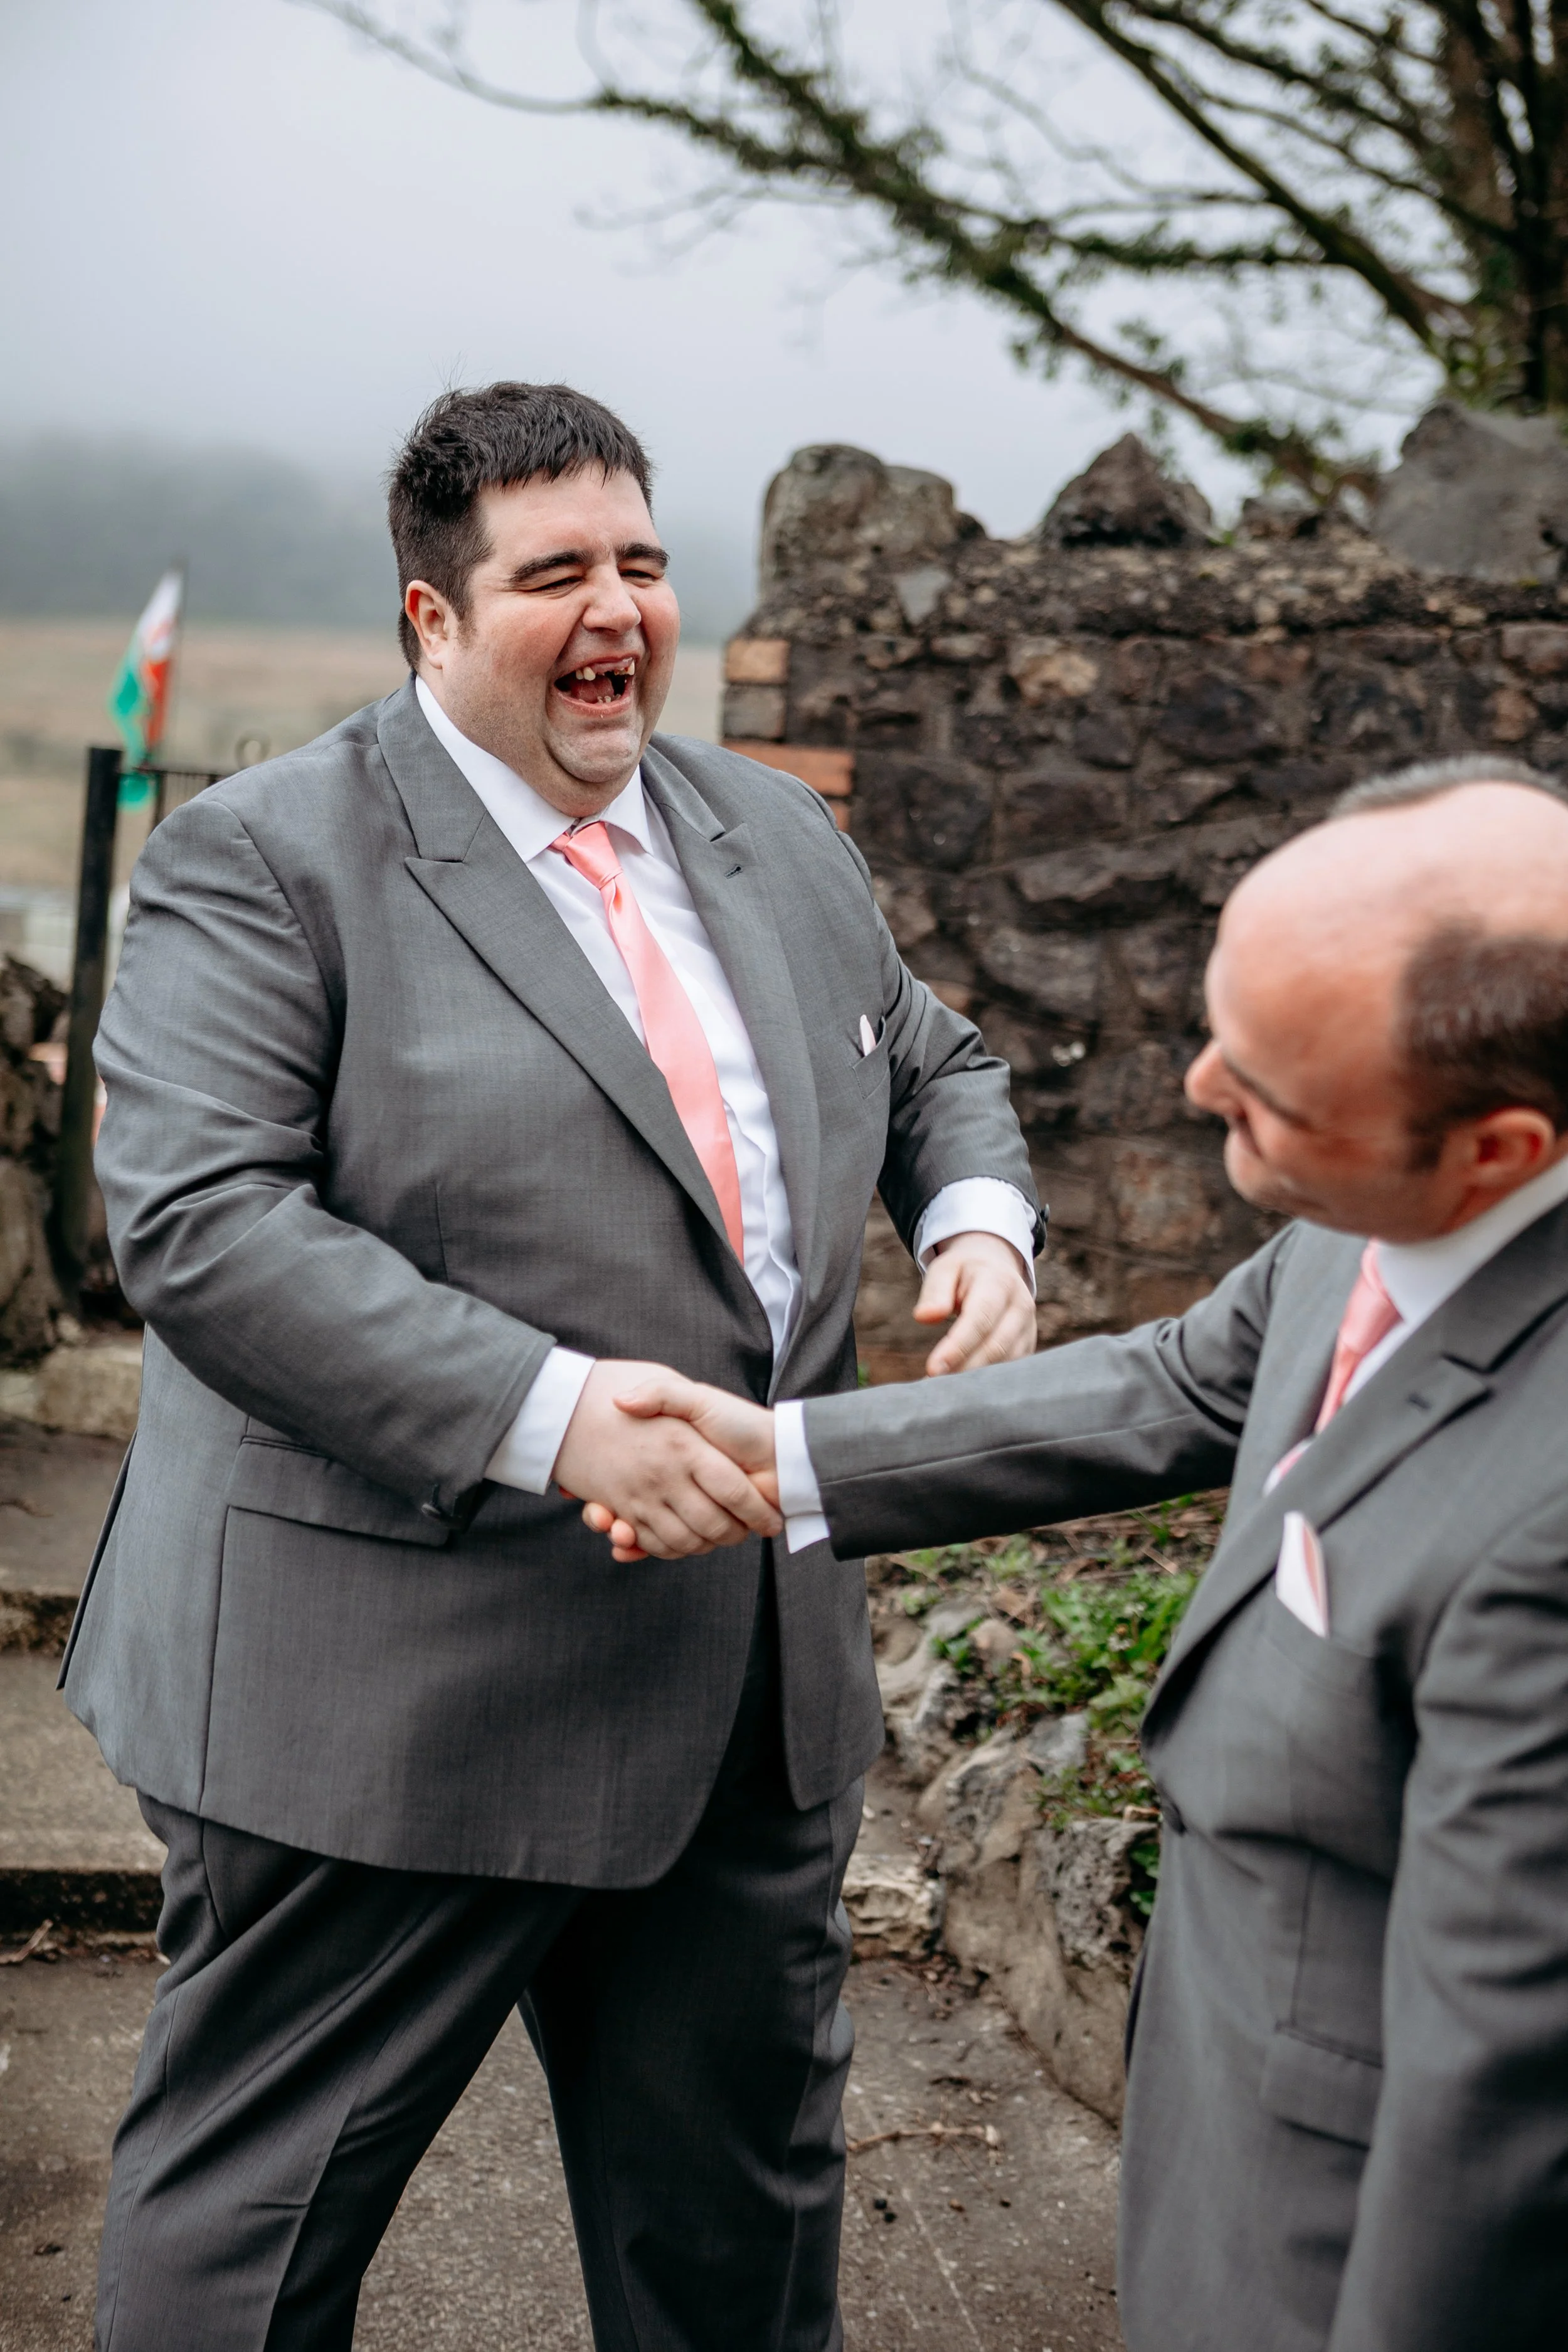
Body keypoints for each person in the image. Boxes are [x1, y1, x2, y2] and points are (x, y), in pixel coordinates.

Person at [63, 379, 1044, 2351]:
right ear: (432, 619)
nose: (619, 609)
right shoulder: (262, 858)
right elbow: (199, 1224)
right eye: (556, 574)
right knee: (249, 2253)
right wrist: (553, 1411)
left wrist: (977, 1217)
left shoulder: (770, 824)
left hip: (745, 1693)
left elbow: (929, 1059)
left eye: (643, 562)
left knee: (737, 2256)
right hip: (388, 1699)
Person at [591, 758, 1568, 2352]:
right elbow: (1182, 1379)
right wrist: (787, 1457)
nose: (1193, 1088)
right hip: (1220, 2139)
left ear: (1496, 1152)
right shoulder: (1389, 1210)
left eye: (1266, 1093)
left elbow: (1504, 2103)